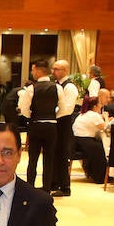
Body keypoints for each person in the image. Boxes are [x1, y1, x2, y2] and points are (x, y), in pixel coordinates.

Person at [18, 59, 68, 195]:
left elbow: (24, 110)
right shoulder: (57, 87)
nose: (32, 72)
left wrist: (33, 117)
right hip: (51, 126)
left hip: (36, 125)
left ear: (38, 70)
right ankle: (46, 188)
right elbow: (64, 109)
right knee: (49, 158)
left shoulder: (31, 88)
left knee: (32, 158)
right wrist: (53, 116)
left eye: (33, 70)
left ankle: (29, 187)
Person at [50, 59, 80, 194]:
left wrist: (51, 114)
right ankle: (54, 183)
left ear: (65, 71)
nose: (53, 71)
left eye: (56, 69)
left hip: (63, 123)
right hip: (56, 123)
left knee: (62, 155)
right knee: (54, 154)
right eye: (53, 69)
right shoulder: (56, 85)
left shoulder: (69, 87)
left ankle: (65, 187)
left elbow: (67, 109)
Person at [71, 95, 108, 184]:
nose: (101, 106)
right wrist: (106, 117)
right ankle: (100, 177)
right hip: (85, 140)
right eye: (99, 104)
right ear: (95, 106)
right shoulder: (94, 115)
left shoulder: (83, 114)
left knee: (98, 145)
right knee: (100, 149)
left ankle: (91, 173)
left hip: (76, 141)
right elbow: (106, 128)